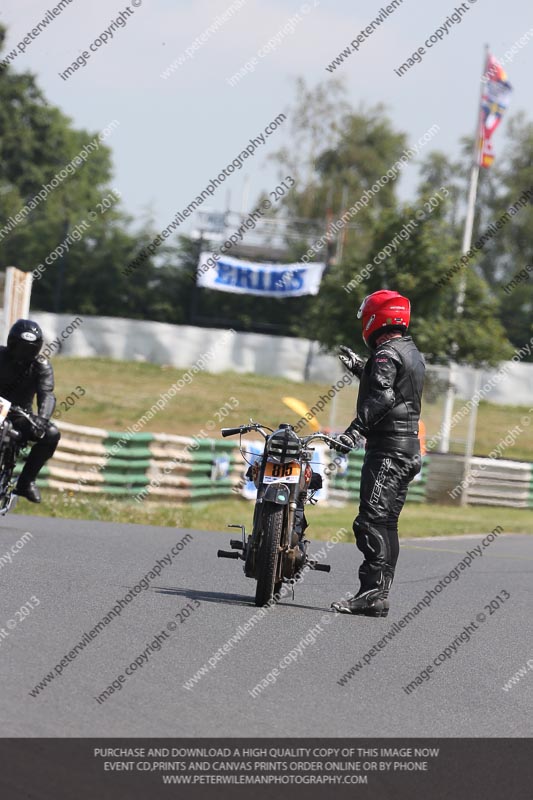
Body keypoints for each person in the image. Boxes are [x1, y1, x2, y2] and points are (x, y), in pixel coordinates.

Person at [329, 290, 425, 617]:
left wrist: (354, 431)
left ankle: (371, 593)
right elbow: (395, 388)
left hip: (388, 451)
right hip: (409, 449)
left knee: (368, 522)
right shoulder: (410, 352)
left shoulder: (386, 354)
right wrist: (361, 367)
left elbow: (384, 398)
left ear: (375, 318)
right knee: (387, 524)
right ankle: (379, 595)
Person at [0, 319, 60, 503]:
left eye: (29, 348)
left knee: (51, 434)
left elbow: (47, 394)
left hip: (20, 415)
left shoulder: (41, 367)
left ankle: (26, 482)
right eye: (19, 346)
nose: (23, 353)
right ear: (11, 342)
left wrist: (42, 419)